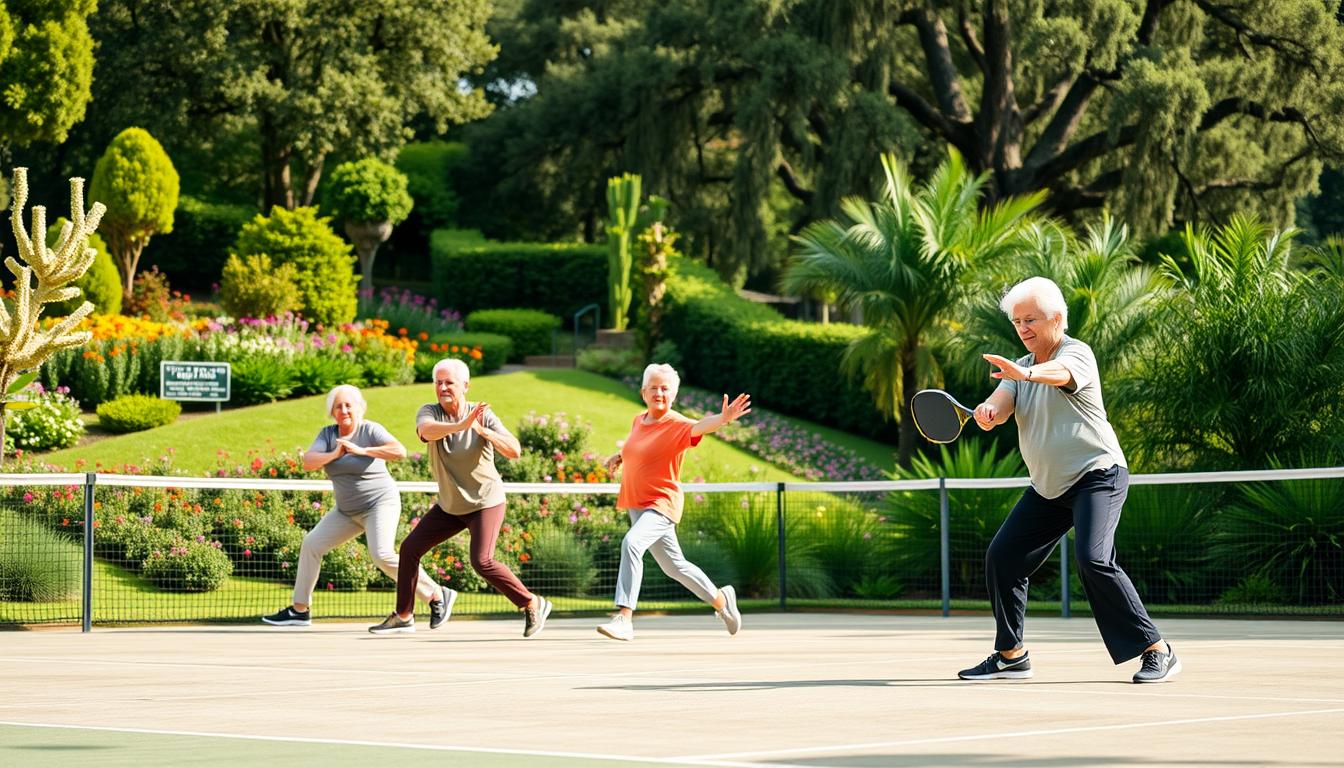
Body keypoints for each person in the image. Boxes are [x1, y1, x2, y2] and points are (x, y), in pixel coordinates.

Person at [959, 276, 1179, 683]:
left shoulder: (1077, 354)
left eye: (1031, 320)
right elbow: (1001, 403)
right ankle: (1011, 654)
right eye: (1017, 322)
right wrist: (989, 411)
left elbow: (1060, 374)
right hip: (1048, 488)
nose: (1023, 329)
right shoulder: (1018, 369)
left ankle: (1156, 649)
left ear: (1056, 319)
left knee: (1093, 559)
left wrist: (1025, 377)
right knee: (1002, 558)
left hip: (1099, 475)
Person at [368, 358, 551, 636]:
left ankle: (531, 602)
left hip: (485, 503)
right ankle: (404, 615)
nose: (442, 387)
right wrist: (461, 425)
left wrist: (481, 430)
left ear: (465, 386)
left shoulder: (483, 415)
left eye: (449, 382)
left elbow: (514, 450)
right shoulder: (429, 411)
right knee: (409, 549)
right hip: (450, 505)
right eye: (438, 382)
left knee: (482, 561)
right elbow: (425, 431)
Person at [263, 385, 449, 628]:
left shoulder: (370, 429)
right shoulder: (328, 435)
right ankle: (300, 610)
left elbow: (399, 451)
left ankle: (436, 594)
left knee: (381, 554)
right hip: (346, 512)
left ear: (359, 408)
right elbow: (308, 461)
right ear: (332, 412)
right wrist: (335, 453)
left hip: (379, 504)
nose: (344, 410)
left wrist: (362, 450)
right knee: (311, 544)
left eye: (349, 405)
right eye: (338, 406)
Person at [596, 363, 751, 641]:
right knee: (674, 566)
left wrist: (723, 418)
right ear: (644, 392)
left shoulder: (677, 424)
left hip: (661, 503)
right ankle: (722, 602)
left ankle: (624, 618)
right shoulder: (638, 420)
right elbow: (639, 447)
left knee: (631, 544)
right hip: (637, 503)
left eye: (665, 388)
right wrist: (619, 457)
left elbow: (701, 426)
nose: (659, 393)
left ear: (674, 394)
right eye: (653, 388)